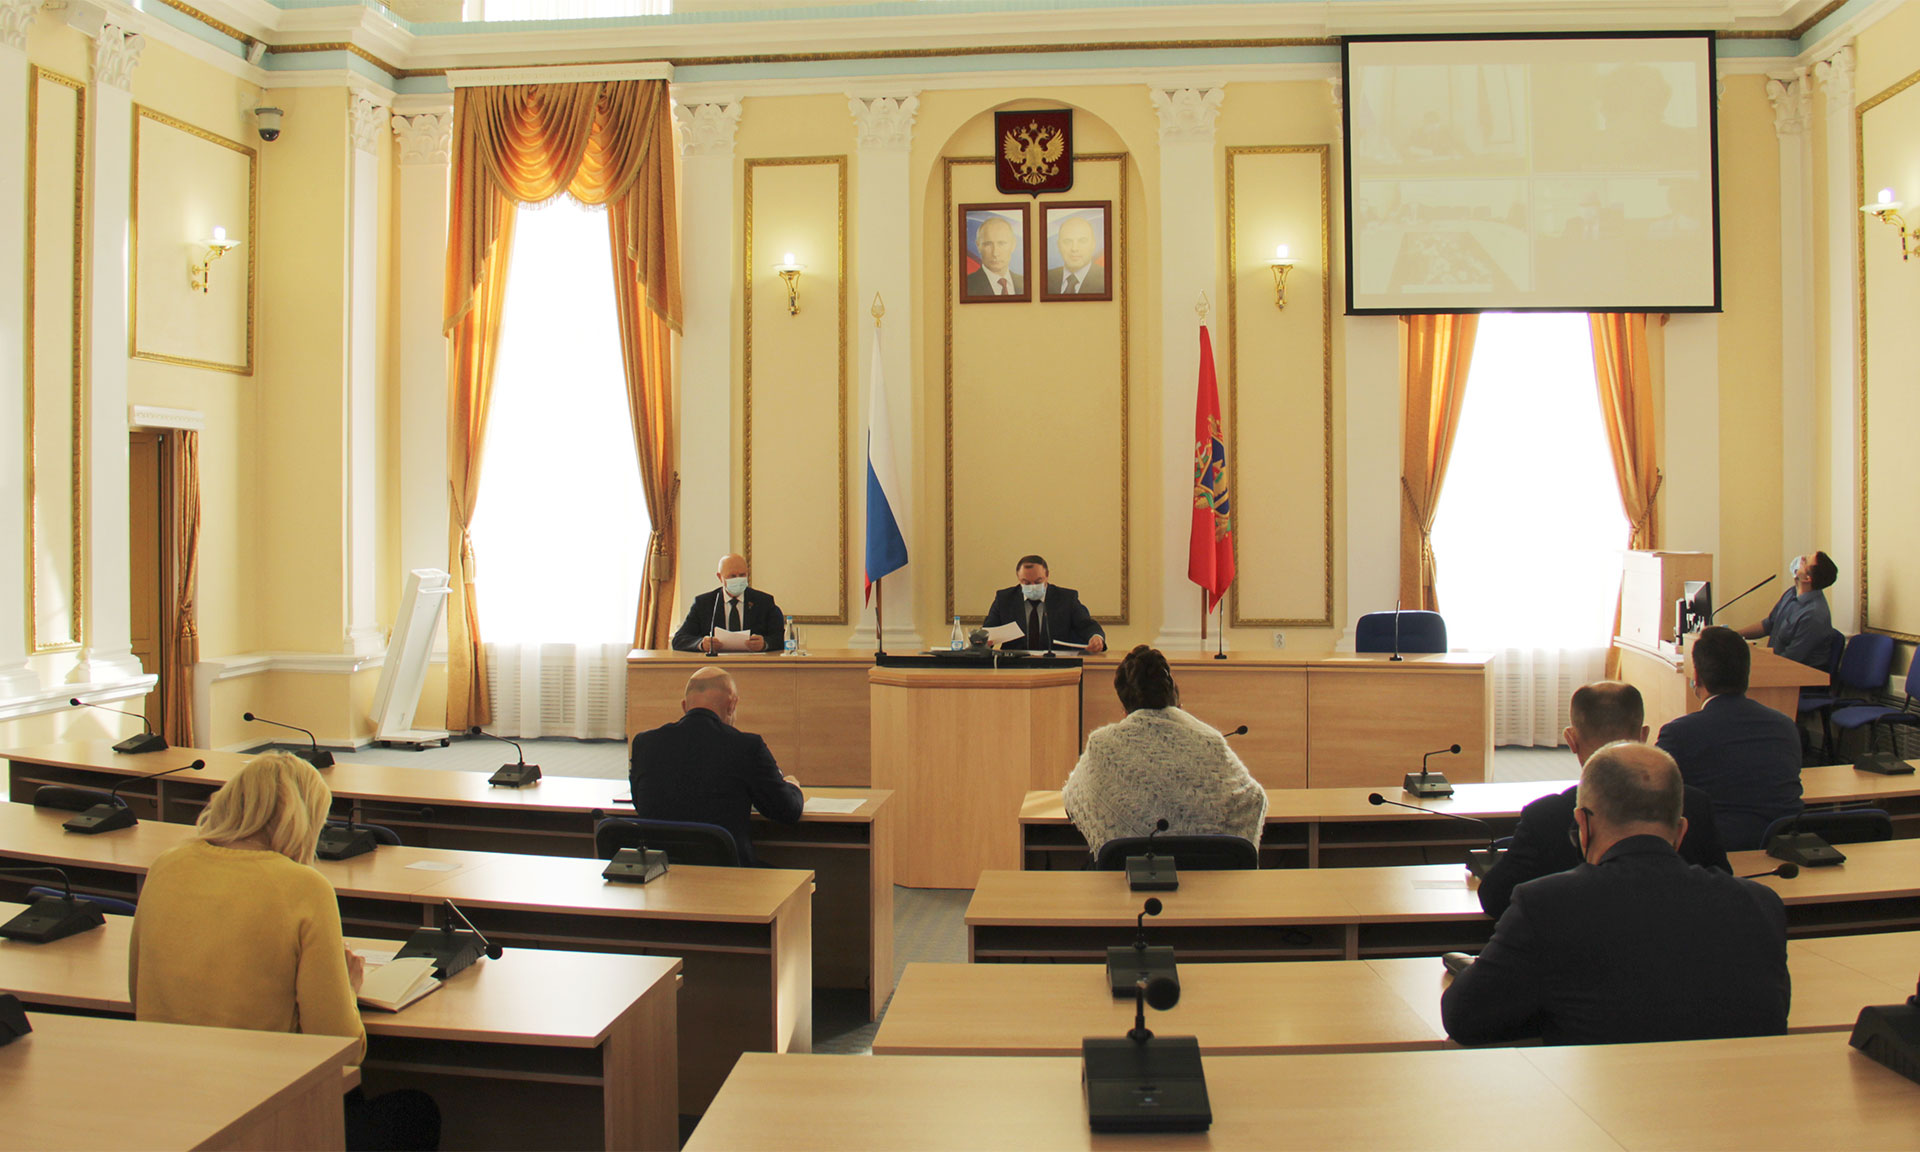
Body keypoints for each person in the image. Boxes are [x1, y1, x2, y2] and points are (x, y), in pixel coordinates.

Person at [129, 752, 440, 1150]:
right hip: (264, 1112)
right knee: (417, 1111)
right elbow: (340, 1049)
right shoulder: (304, 887)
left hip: (169, 1104)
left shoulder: (166, 865)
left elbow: (137, 993)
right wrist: (348, 987)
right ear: (304, 819)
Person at [1441, 741, 1790, 1047]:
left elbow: (1464, 1019)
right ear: (1681, 830)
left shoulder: (1546, 904)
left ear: (1583, 824)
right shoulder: (1760, 904)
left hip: (1605, 1101)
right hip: (1736, 1097)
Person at [1477, 680, 1729, 918]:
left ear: (1571, 740)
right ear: (1643, 735)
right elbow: (1722, 886)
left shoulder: (1545, 817)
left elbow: (1495, 898)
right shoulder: (1693, 805)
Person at [1062, 645, 1266, 856]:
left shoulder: (1103, 746)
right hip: (1210, 872)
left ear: (1124, 708)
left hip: (1129, 873)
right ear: (1176, 700)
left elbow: (1073, 801)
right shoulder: (1209, 741)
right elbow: (1254, 800)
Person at [629, 666, 805, 866]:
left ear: (684, 706)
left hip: (662, 874)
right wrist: (793, 788)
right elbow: (786, 811)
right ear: (732, 705)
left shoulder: (644, 743)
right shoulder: (746, 746)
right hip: (728, 875)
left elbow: (640, 804)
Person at [1655, 625, 1804, 850]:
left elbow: (1653, 796)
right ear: (1746, 675)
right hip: (1782, 849)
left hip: (1712, 855)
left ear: (1697, 677)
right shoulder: (1785, 726)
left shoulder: (1678, 733)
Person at [981, 554, 1107, 653]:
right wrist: (982, 642)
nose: (1032, 586)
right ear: (1018, 578)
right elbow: (988, 632)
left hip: (1057, 663)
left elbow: (1086, 625)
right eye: (1026, 582)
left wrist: (1096, 638)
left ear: (1047, 576)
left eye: (1038, 581)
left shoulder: (1066, 598)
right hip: (1014, 665)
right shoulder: (1004, 599)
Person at [1738, 551, 1839, 668]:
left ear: (1807, 578)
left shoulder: (1814, 615)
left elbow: (1790, 658)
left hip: (1799, 674)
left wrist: (1756, 660)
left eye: (1805, 561)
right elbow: (1768, 625)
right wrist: (1734, 635)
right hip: (1776, 664)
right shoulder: (1791, 593)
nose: (1800, 558)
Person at [671, 553, 786, 654]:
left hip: (753, 665)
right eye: (732, 576)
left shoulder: (764, 602)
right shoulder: (704, 604)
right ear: (720, 577)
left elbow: (781, 638)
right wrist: (701, 644)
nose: (738, 579)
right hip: (715, 665)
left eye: (742, 575)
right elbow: (679, 640)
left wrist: (764, 644)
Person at [965, 215, 1023, 296]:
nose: (995, 253)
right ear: (978, 246)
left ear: (1013, 245)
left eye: (1001, 243)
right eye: (988, 244)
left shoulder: (1025, 283)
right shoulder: (966, 285)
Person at [1046, 216, 1104, 295]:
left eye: (1082, 241)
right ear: (1058, 245)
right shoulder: (1045, 278)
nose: (1074, 248)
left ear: (1093, 245)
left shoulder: (1106, 279)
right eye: (1067, 241)